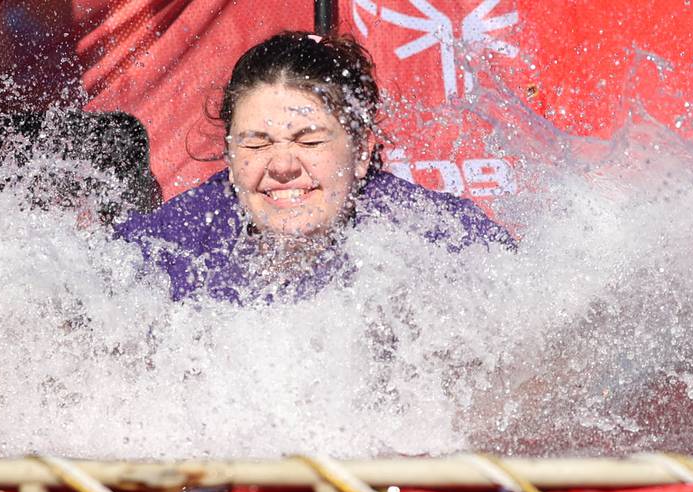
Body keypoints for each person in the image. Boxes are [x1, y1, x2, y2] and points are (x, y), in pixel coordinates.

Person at [115, 31, 513, 304]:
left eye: (309, 140)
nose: (283, 165)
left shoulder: (440, 235)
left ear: (360, 153)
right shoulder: (171, 241)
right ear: (231, 157)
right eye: (257, 142)